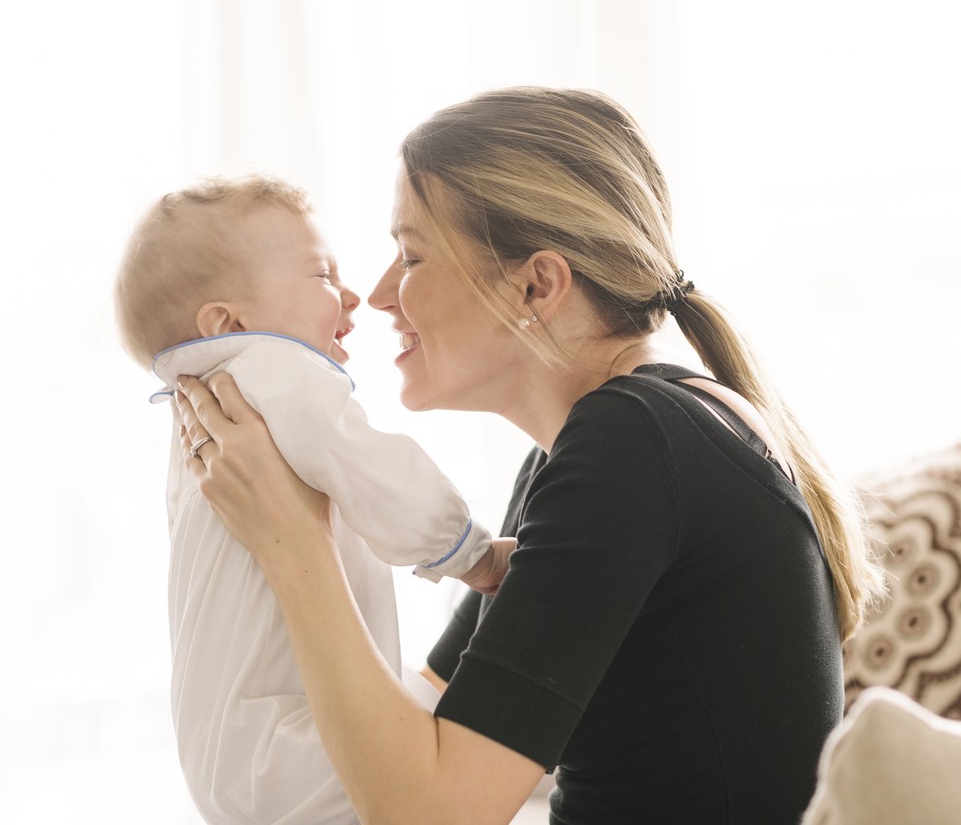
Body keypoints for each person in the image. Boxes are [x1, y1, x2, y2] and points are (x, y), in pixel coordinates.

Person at [173, 87, 885, 824]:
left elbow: (429, 813)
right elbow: (427, 715)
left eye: (411, 254)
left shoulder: (635, 444)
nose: (379, 294)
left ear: (537, 284)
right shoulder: (595, 447)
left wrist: (293, 541)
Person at [115, 175, 511, 824]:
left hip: (233, 753)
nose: (354, 294)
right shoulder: (275, 374)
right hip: (292, 740)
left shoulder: (203, 407)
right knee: (469, 760)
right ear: (229, 322)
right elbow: (379, 474)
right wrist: (475, 556)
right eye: (323, 275)